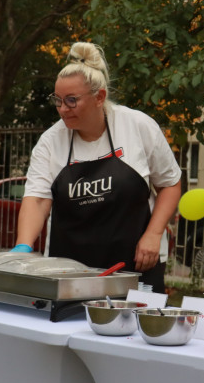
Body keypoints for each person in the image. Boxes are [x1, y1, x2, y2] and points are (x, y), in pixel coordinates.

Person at [11, 42, 182, 291]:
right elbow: (37, 199)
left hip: (136, 264)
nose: (62, 109)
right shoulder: (51, 141)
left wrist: (154, 234)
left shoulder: (137, 126)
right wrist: (23, 247)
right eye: (57, 100)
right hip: (68, 269)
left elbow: (170, 184)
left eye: (71, 100)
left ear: (99, 97)